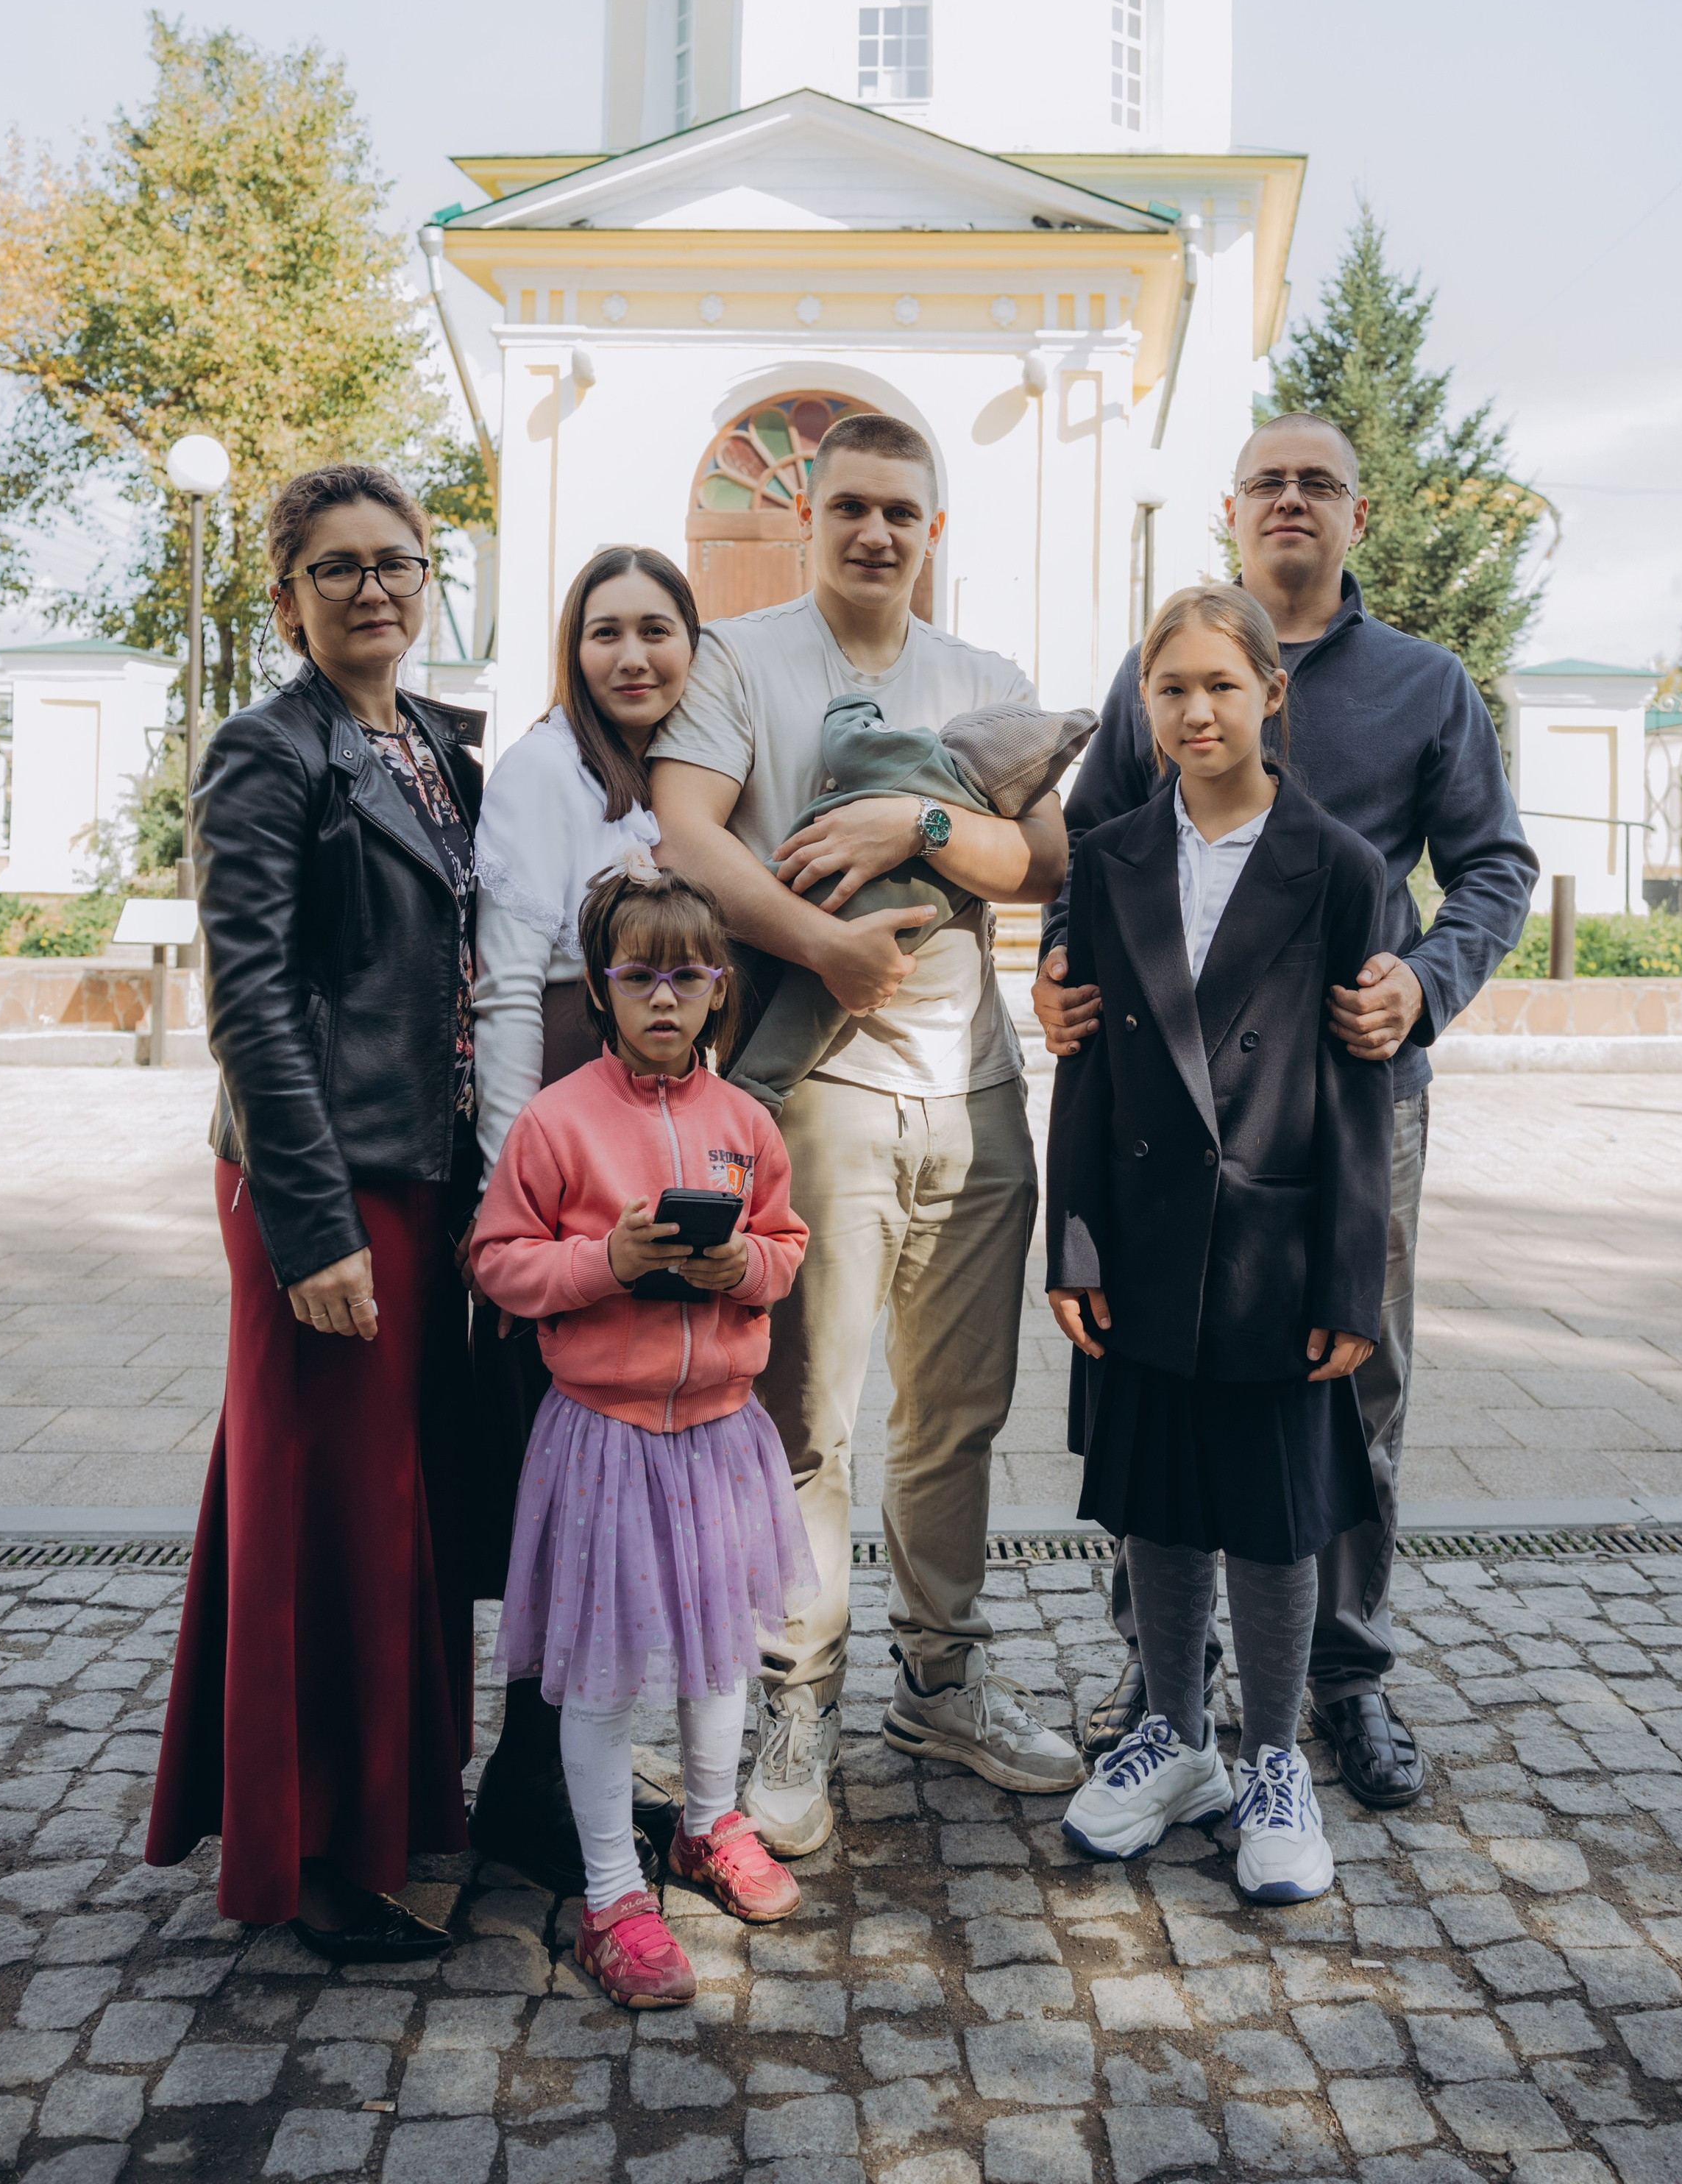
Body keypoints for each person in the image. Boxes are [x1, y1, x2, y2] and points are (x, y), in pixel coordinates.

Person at [1035, 411, 1536, 1807]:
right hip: (1175, 1114)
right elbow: (1091, 859)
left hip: (1351, 1100)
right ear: (1234, 511)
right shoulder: (1166, 679)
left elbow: (1495, 867)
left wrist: (1421, 986)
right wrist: (1057, 972)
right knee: (1163, 1365)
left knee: (1350, 1375)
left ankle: (1349, 1671)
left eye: (1321, 482)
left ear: (1358, 517)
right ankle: (1163, 1673)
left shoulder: (1427, 687)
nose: (1294, 500)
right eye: (1269, 481)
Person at [653, 409, 1085, 1856]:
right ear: (812, 519)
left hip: (970, 1092)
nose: (875, 532)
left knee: (954, 1420)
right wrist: (818, 948)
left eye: (902, 511)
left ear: (933, 529)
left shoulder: (986, 681)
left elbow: (1040, 858)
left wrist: (912, 817)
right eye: (850, 508)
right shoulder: (739, 660)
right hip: (816, 1094)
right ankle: (798, 1693)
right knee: (808, 1425)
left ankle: (941, 1677)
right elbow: (687, 832)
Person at [146, 463, 479, 1955]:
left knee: (374, 1506)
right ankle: (326, 1861)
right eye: (336, 567)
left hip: (419, 1171)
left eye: (395, 562)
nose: (371, 588)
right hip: (328, 1183)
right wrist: (313, 1225)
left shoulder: (433, 747)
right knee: (329, 1518)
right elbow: (255, 1005)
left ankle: (385, 1807)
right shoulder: (264, 751)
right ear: (285, 594)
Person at [1048, 586, 1391, 1898]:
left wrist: (1350, 1273)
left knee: (1270, 1514)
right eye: (1170, 687)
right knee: (1160, 1501)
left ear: (1270, 696)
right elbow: (1080, 1067)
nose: (1196, 711)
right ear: (1146, 705)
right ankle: (1177, 1739)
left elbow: (1362, 1091)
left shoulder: (1342, 866)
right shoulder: (1112, 857)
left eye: (1220, 686)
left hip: (1278, 1241)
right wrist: (1074, 1245)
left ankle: (1272, 1761)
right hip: (1138, 1236)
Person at [471, 866, 814, 2009]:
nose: (663, 998)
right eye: (637, 976)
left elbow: (786, 1242)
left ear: (719, 991)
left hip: (719, 1432)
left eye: (686, 976)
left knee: (720, 1651)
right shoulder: (557, 1120)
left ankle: (708, 1826)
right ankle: (612, 1893)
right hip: (605, 1436)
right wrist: (604, 1264)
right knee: (605, 1676)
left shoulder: (744, 1122)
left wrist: (745, 1268)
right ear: (603, 989)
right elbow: (498, 1260)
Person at [466, 545, 700, 1891]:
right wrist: (518, 1193)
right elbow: (509, 986)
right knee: (558, 1482)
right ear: (573, 647)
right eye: (606, 632)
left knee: (611, 1472)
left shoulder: (668, 771)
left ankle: (565, 1772)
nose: (632, 656)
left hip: (642, 1106)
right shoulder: (549, 772)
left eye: (656, 630)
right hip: (563, 1105)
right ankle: (532, 1788)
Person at [729, 689, 1095, 1114]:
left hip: (805, 884)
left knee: (735, 960)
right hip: (868, 953)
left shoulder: (923, 759)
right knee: (804, 1019)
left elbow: (849, 746)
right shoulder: (980, 842)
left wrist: (852, 707)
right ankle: (757, 1090)